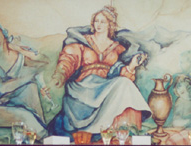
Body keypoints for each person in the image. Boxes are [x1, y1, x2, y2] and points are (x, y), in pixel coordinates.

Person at [49, 5, 151, 137]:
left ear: (110, 25)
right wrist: (60, 75)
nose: (99, 24)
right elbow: (69, 59)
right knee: (123, 84)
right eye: (96, 21)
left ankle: (122, 134)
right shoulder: (83, 42)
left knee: (125, 84)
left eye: (103, 22)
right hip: (85, 88)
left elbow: (118, 70)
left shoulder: (117, 47)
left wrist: (132, 65)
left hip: (105, 86)